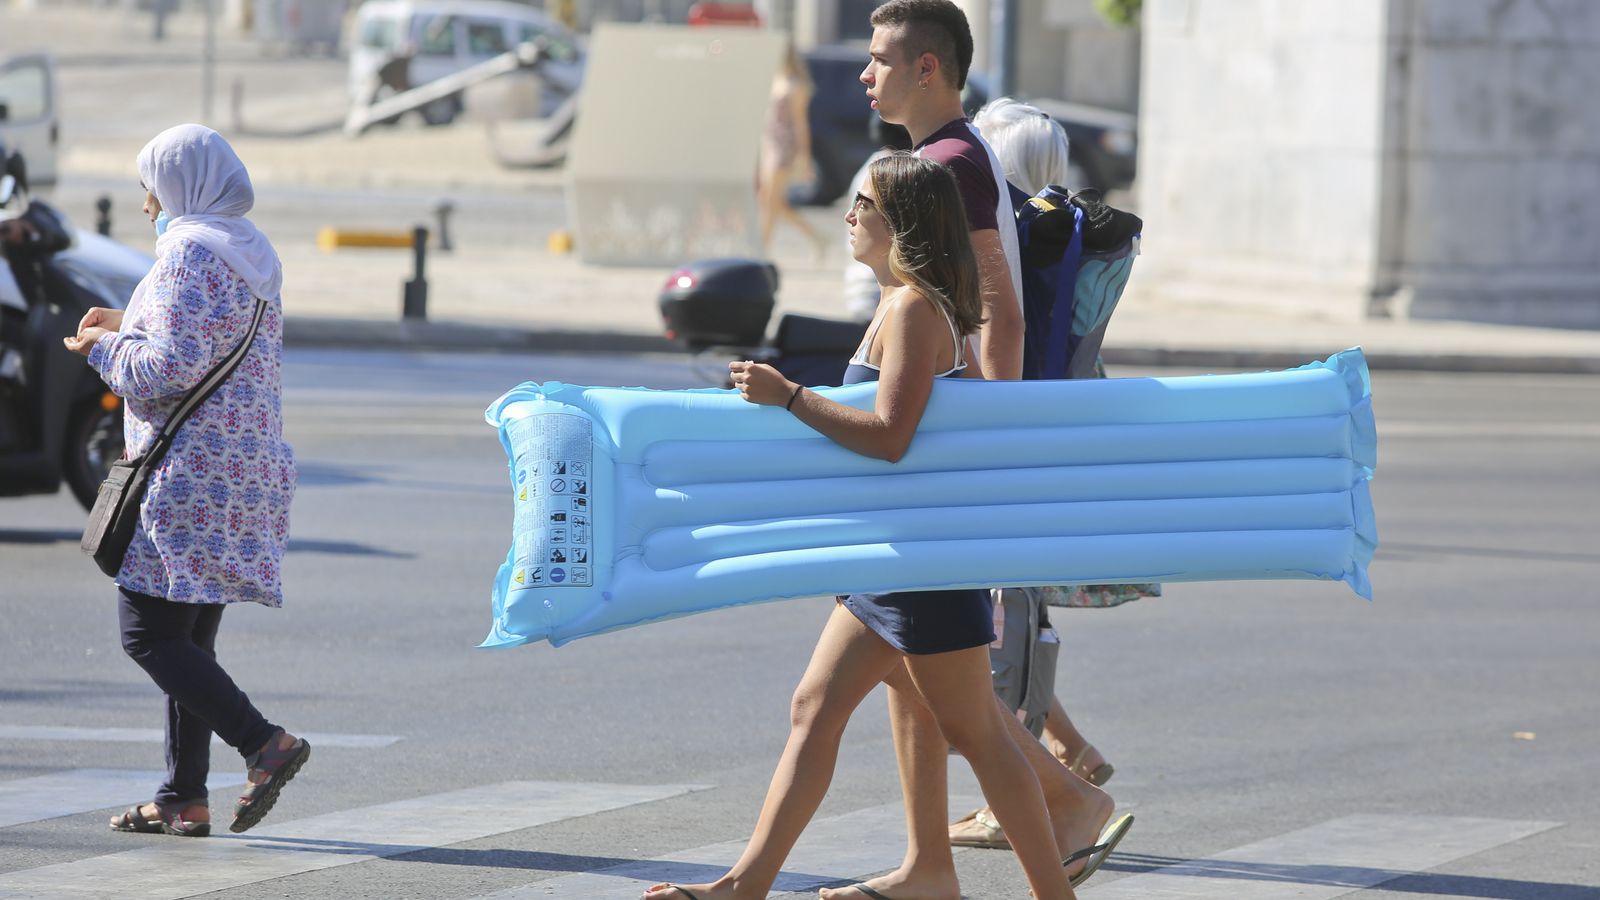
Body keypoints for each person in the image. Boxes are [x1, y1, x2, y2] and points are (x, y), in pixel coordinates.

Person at [641, 154, 1078, 900]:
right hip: (887, 553)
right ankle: (746, 886)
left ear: (900, 223)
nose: (848, 216)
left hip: (921, 558)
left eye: (862, 204)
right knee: (817, 706)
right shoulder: (897, 302)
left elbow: (889, 436)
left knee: (975, 731)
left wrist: (790, 399)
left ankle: (1053, 896)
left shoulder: (913, 309)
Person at [62, 124, 308, 838]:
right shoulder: (248, 253)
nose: (145, 204)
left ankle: (265, 743)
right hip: (241, 475)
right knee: (188, 644)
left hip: (190, 475)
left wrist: (102, 347)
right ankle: (183, 797)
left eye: (152, 186)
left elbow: (164, 372)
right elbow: (194, 342)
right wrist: (128, 321)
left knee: (147, 634)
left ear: (181, 187)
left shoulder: (188, 256)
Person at [946, 96, 1125, 853]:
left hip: (1011, 445)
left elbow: (998, 334)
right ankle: (1067, 762)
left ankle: (1040, 798)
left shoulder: (1012, 238)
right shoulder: (1064, 230)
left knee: (1004, 617)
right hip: (1057, 437)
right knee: (1009, 614)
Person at [758, 43, 825, 261]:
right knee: (771, 201)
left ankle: (762, 249)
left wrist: (804, 158)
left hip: (784, 148)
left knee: (770, 201)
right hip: (771, 145)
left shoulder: (797, 85)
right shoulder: (777, 79)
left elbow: (800, 124)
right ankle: (817, 237)